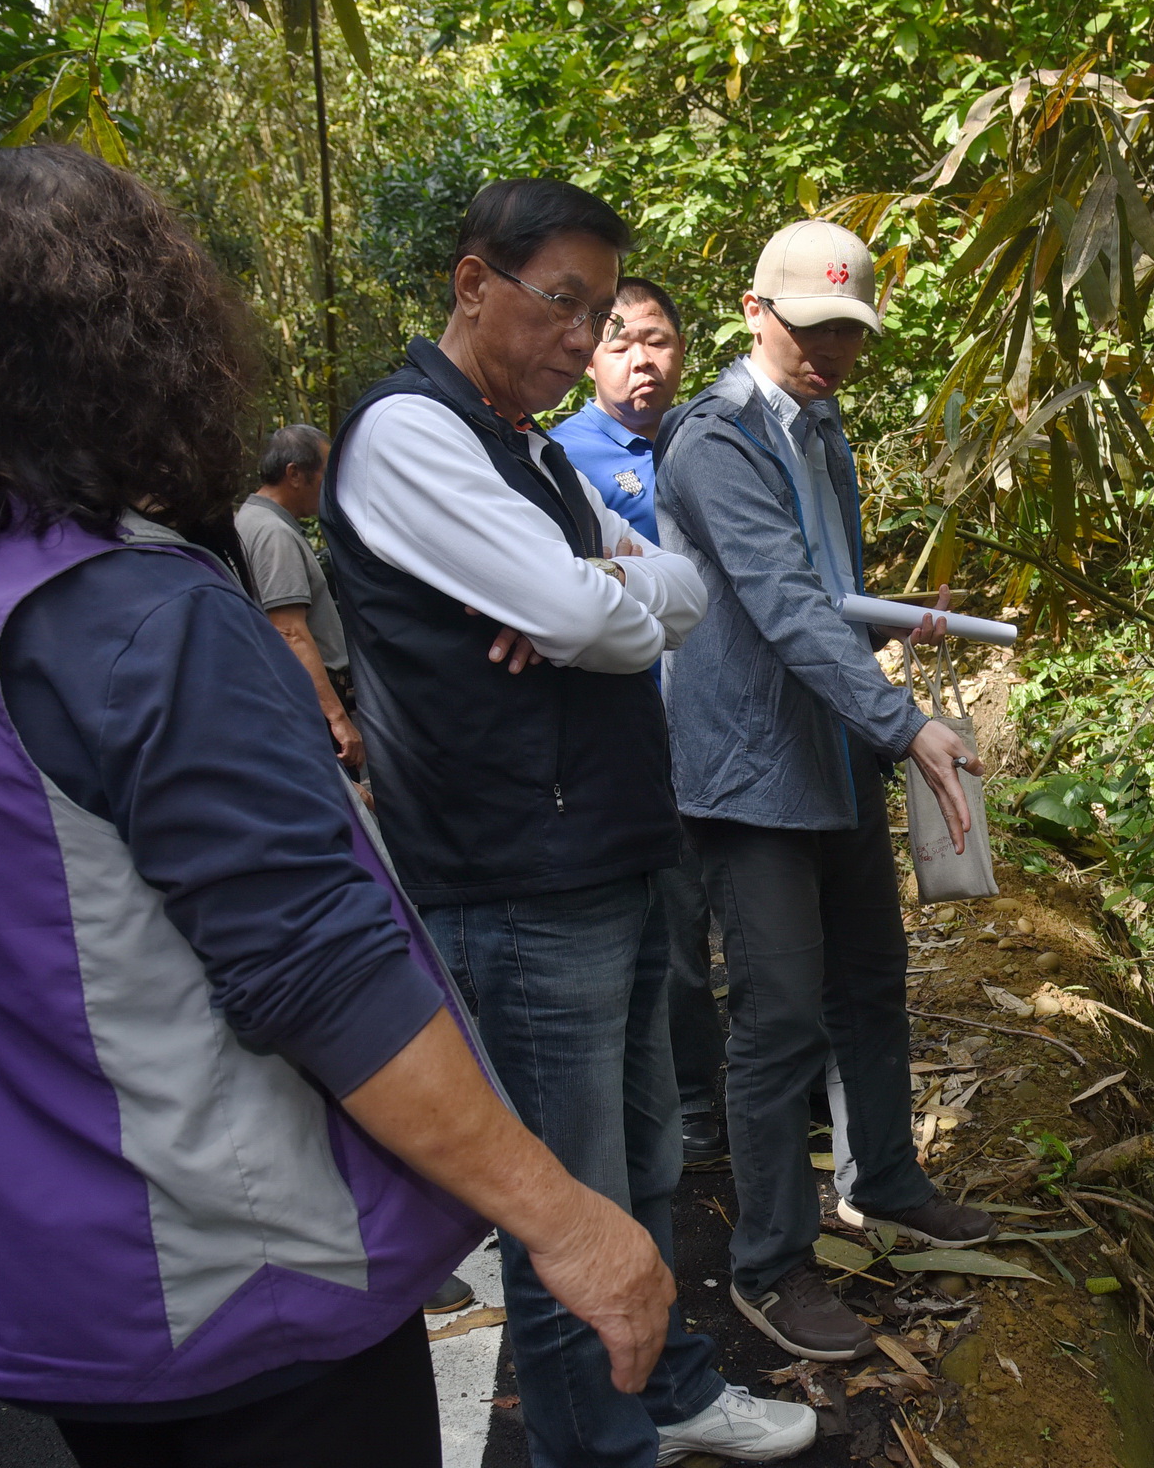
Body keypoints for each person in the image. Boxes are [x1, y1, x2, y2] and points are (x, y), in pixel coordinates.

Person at [0, 145, 674, 1468]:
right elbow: (316, 963)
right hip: (230, 1266)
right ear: (146, 345)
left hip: (32, 1260)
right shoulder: (133, 615)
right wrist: (564, 1218)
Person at [323, 178, 813, 1467]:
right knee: (566, 1204)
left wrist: (591, 589)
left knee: (644, 1157)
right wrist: (591, 598)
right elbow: (600, 615)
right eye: (564, 303)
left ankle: (668, 1390)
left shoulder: (529, 448)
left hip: (608, 848)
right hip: (515, 876)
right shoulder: (410, 435)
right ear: (473, 283)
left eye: (599, 311)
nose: (586, 339)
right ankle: (602, 1446)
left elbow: (676, 591)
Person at [657, 221, 995, 1363]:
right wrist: (907, 727)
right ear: (755, 311)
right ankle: (770, 1265)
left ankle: (886, 1179)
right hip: (754, 777)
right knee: (781, 1020)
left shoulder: (825, 427)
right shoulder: (711, 444)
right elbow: (785, 602)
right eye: (812, 330)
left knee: (871, 984)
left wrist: (905, 631)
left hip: (836, 753)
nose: (832, 351)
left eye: (850, 332)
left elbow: (837, 596)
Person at [550, 278, 728, 1167]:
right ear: (588, 355)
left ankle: (776, 1083)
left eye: (656, 340)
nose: (640, 359)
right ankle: (693, 1104)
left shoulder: (712, 440)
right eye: (618, 342)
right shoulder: (563, 455)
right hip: (648, 728)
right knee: (677, 922)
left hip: (737, 718)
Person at [237, 423, 365, 770]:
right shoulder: (272, 532)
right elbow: (289, 630)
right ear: (294, 474)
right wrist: (338, 718)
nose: (330, 488)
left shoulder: (252, 521)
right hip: (310, 701)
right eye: (324, 476)